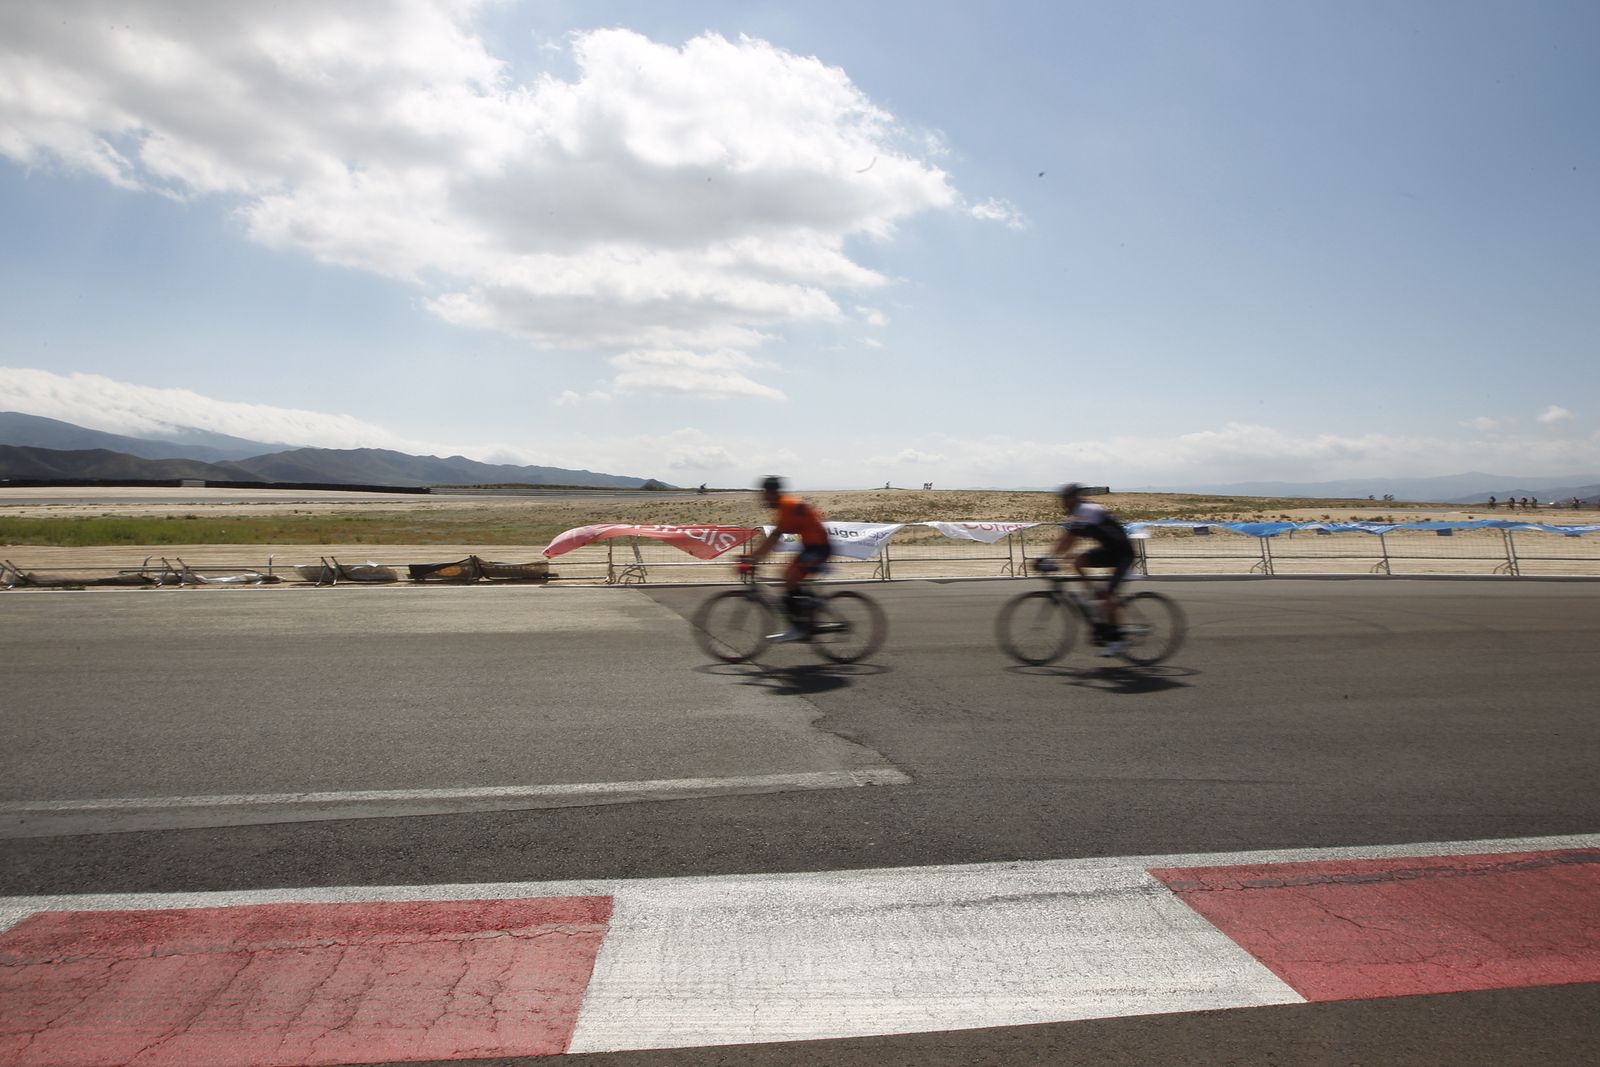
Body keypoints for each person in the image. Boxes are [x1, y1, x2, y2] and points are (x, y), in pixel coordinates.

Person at [1039, 483, 1137, 656]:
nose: (1062, 504)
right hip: (1109, 550)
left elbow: (1068, 540)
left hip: (1123, 554)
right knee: (1077, 561)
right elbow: (1068, 541)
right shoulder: (1078, 513)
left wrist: (1049, 559)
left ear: (1073, 499)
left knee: (1108, 596)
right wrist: (1051, 558)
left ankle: (1118, 639)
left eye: (1064, 500)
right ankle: (1093, 593)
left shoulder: (1086, 510)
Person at [741, 475, 833, 641]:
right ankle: (806, 613)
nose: (763, 499)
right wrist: (755, 556)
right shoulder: (786, 506)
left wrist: (754, 558)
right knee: (787, 578)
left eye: (765, 494)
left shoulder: (788, 506)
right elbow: (774, 537)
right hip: (811, 546)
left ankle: (800, 627)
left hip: (818, 548)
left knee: (789, 579)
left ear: (772, 492)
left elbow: (774, 537)